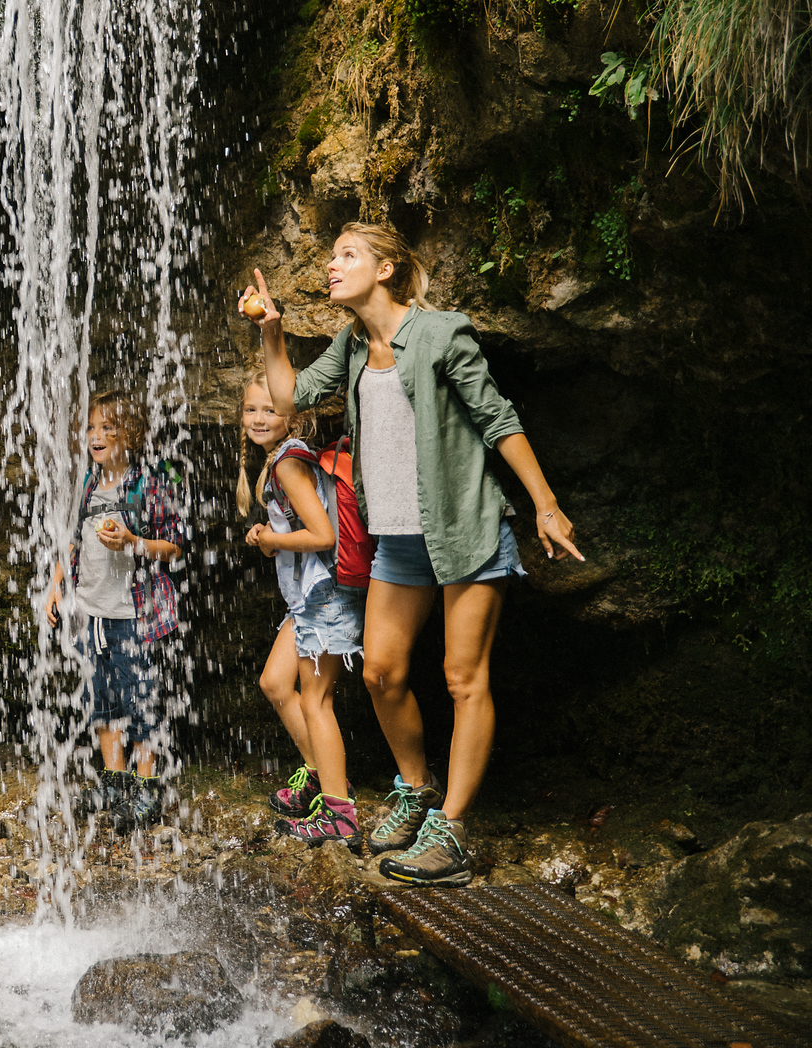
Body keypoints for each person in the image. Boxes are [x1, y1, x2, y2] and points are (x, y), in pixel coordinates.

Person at [239, 222, 583, 886]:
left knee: (462, 677)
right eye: (332, 256)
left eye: (347, 256)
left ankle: (450, 830)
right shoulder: (350, 343)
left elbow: (498, 418)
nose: (331, 266)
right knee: (381, 675)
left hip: (463, 529)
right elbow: (291, 399)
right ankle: (416, 790)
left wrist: (542, 501)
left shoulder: (440, 333)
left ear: (388, 269)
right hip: (396, 538)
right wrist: (272, 332)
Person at [42, 389, 188, 833]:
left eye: (108, 427)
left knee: (140, 701)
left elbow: (175, 546)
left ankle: (147, 789)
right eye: (90, 427)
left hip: (134, 617)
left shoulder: (148, 484)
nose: (95, 435)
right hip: (94, 615)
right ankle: (114, 780)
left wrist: (132, 542)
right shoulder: (89, 482)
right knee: (101, 701)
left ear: (131, 434)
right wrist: (55, 586)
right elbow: (70, 540)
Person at [238, 373, 365, 850]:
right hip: (307, 598)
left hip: (326, 596)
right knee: (274, 682)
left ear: (295, 413)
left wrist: (271, 539)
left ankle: (339, 812)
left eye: (270, 409)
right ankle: (320, 777)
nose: (259, 418)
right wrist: (269, 542)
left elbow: (322, 536)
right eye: (252, 409)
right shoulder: (280, 462)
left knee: (316, 700)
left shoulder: (289, 463)